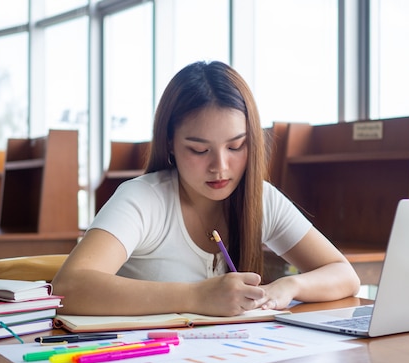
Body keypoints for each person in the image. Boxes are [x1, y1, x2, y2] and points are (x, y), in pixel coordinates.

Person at [52, 60, 360, 316]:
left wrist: (289, 286)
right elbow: (69, 288)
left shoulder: (260, 198)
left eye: (236, 146)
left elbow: (344, 275)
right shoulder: (143, 199)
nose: (220, 166)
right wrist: (196, 297)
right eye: (199, 150)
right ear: (170, 144)